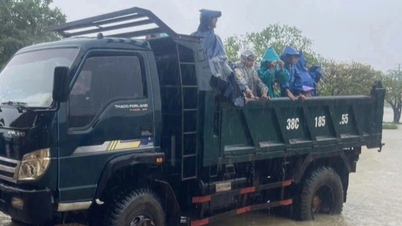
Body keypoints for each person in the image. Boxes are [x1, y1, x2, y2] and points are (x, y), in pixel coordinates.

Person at [191, 9, 245, 107]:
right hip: (211, 86)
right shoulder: (215, 39)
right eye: (214, 18)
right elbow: (223, 64)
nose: (217, 20)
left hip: (195, 84)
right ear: (208, 20)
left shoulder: (193, 37)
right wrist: (232, 78)